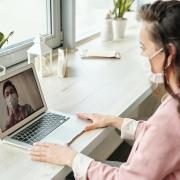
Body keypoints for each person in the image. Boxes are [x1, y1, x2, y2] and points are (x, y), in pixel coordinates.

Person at [30, 1, 180, 179]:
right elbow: (161, 140)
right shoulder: (170, 116)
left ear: (170, 53)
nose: (142, 55)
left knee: (68, 175)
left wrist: (70, 157)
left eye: (143, 48)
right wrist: (116, 121)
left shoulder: (171, 115)